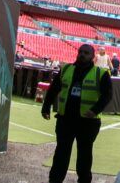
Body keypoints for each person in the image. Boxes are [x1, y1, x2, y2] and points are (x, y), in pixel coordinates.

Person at [41, 42, 113, 183]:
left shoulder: (101, 73)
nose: (82, 55)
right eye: (81, 52)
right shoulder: (66, 69)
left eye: (86, 53)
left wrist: (94, 110)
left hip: (88, 122)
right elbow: (53, 89)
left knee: (84, 156)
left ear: (93, 56)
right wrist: (46, 107)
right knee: (61, 153)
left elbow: (107, 95)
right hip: (65, 119)